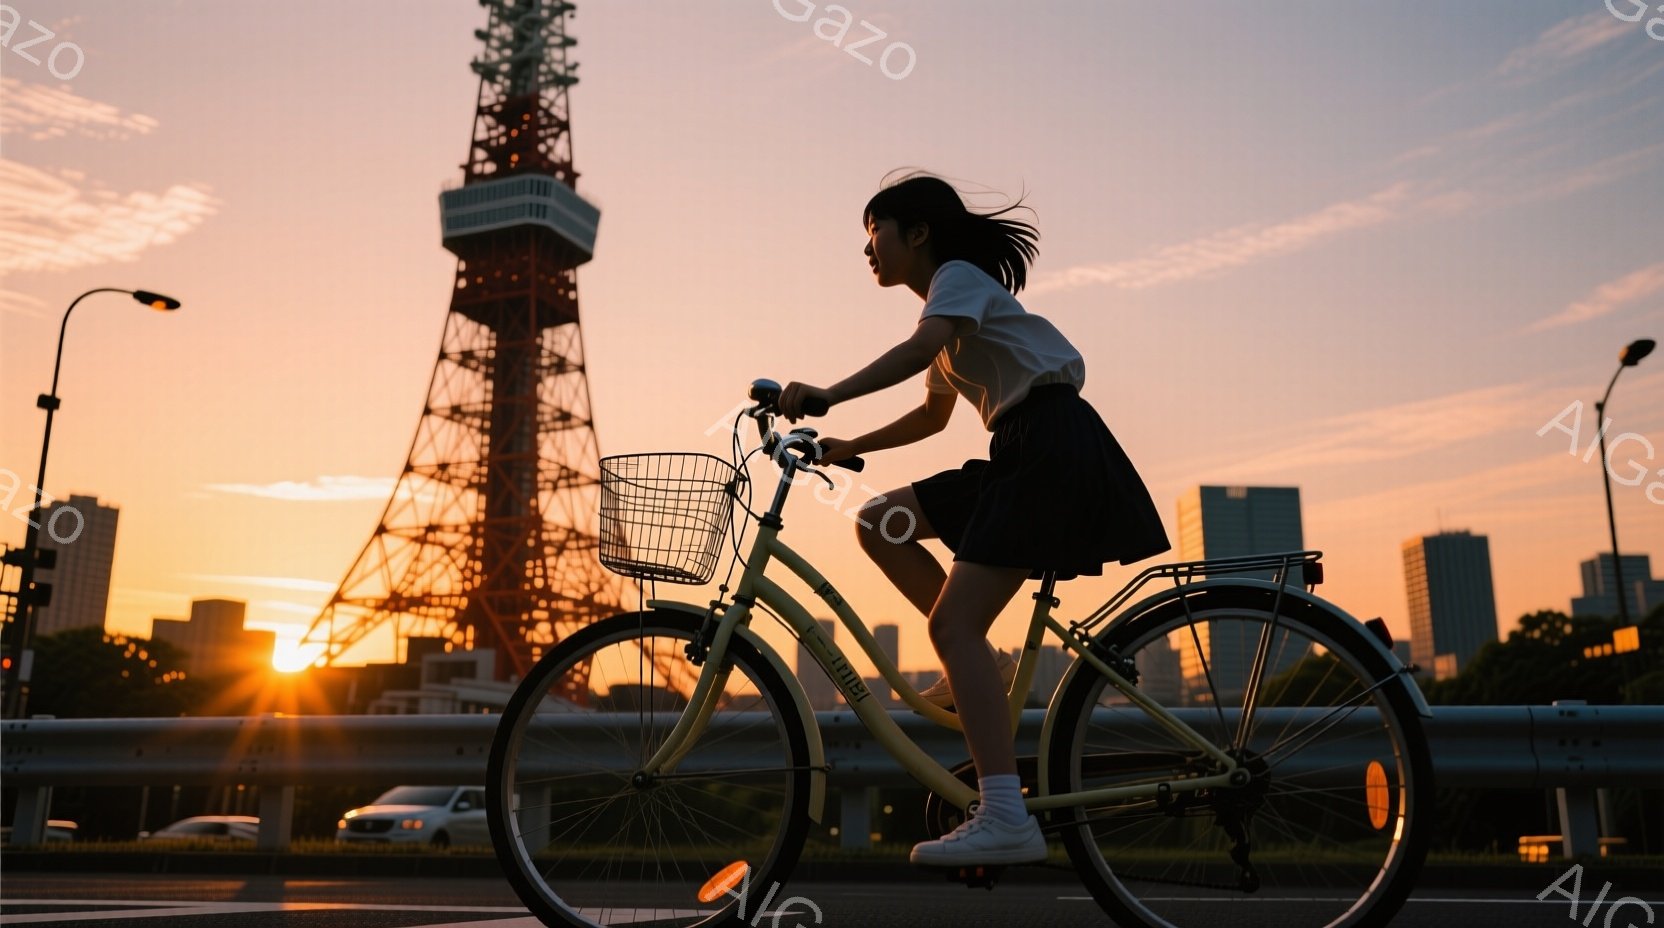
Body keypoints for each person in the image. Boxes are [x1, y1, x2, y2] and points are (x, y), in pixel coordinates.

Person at [777, 172, 1171, 867]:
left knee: (950, 624)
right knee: (877, 521)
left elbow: (915, 354)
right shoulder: (950, 313)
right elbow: (932, 415)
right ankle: (976, 663)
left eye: (875, 232)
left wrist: (829, 396)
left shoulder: (956, 283)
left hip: (1048, 445)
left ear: (918, 233)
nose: (867, 250)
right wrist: (850, 447)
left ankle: (1005, 812)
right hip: (1022, 446)